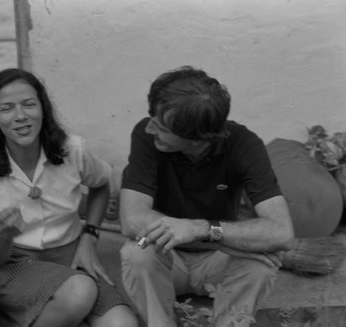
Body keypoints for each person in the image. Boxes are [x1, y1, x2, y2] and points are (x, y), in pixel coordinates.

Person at [119, 66, 295, 327]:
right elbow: (132, 219)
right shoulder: (146, 136)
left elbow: (281, 232)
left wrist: (200, 230)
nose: (149, 129)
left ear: (198, 138)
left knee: (260, 265)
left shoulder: (244, 144)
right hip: (168, 260)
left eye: (161, 126)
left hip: (218, 267)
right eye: (152, 118)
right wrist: (221, 239)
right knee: (137, 253)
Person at [0, 68, 138, 327]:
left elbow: (102, 184)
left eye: (29, 104)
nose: (20, 116)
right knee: (80, 292)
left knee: (123, 324)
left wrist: (90, 237)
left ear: (43, 107)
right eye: (7, 108)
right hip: (14, 264)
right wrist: (3, 234)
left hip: (71, 256)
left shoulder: (71, 149)